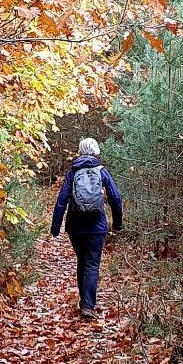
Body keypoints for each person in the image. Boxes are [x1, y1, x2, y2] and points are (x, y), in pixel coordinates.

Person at [50, 137, 123, 321]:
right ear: (96, 150)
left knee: (82, 261)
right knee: (92, 264)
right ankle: (87, 306)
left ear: (80, 150)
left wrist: (56, 227)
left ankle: (85, 301)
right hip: (97, 226)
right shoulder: (102, 172)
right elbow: (115, 198)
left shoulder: (73, 173)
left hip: (75, 226)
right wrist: (117, 223)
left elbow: (61, 201)